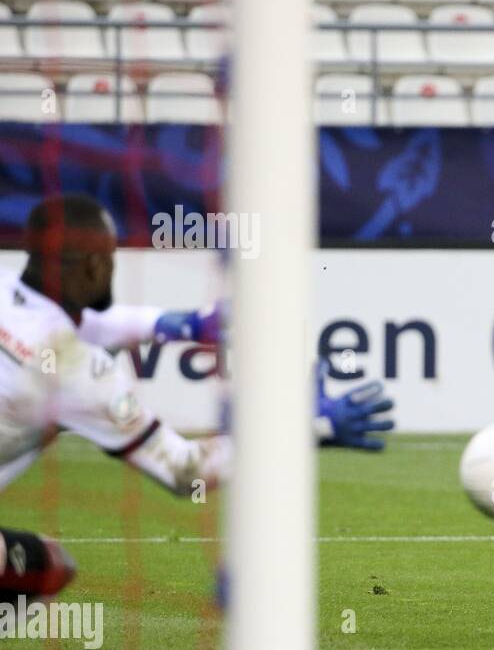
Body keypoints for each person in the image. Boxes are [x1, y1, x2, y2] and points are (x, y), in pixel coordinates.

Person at [0, 194, 394, 602]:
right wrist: (313, 425)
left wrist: (178, 325)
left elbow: (73, 325)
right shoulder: (80, 372)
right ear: (96, 265)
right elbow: (186, 472)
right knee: (50, 567)